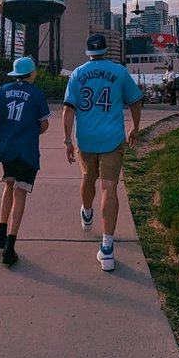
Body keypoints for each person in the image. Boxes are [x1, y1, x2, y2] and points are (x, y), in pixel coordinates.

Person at [63, 33, 144, 272]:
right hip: (112, 139)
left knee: (87, 178)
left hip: (85, 139)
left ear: (88, 52)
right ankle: (107, 247)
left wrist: (67, 139)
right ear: (106, 50)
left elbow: (68, 110)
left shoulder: (77, 73)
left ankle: (87, 211)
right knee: (109, 187)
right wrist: (135, 128)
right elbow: (135, 101)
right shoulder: (119, 72)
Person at [0, 56, 50, 266]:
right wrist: (31, 133)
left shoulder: (3, 90)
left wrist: (0, 135)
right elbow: (45, 124)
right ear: (31, 74)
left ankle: (0, 233)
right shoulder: (36, 94)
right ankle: (10, 246)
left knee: (8, 184)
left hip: (7, 149)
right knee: (20, 192)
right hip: (26, 151)